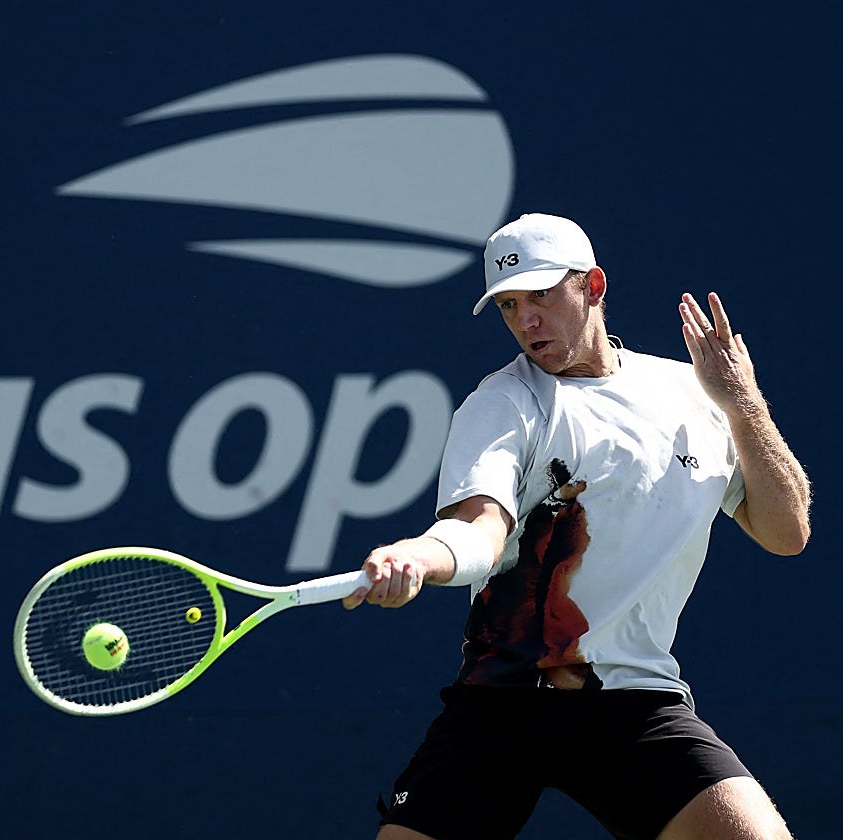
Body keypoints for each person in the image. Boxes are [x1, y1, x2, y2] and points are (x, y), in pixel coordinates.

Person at [342, 213, 811, 840]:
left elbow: (786, 532)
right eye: (509, 305)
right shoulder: (502, 404)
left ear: (592, 286)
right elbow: (478, 530)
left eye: (539, 295)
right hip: (504, 698)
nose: (526, 321)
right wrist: (421, 557)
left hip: (633, 699)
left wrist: (743, 402)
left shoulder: (695, 395)